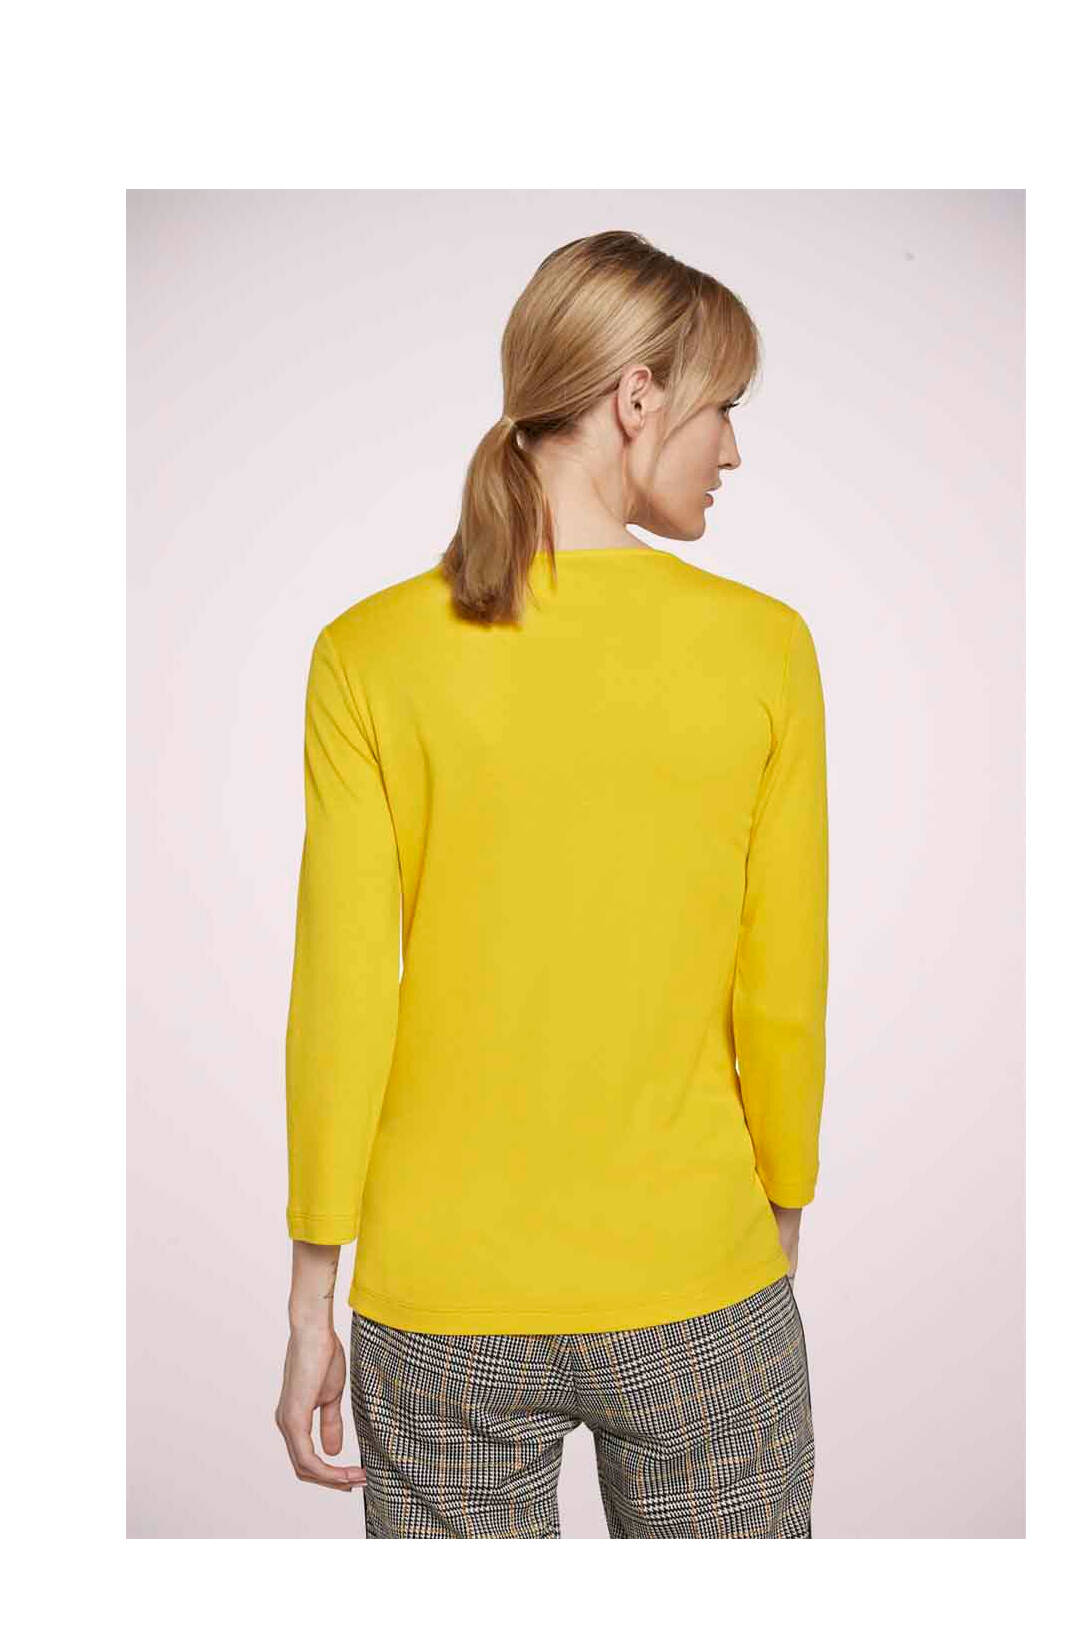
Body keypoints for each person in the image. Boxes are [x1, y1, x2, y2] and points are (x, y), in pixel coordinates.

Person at [274, 229, 829, 1538]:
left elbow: (342, 994)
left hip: (441, 1306)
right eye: (722, 407)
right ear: (636, 398)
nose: (732, 451)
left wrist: (311, 1298)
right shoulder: (764, 649)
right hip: (696, 1278)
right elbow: (782, 988)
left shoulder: (369, 652)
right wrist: (774, 1235)